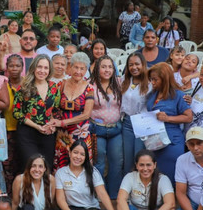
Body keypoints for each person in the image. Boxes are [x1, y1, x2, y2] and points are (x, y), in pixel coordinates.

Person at [55, 140, 116, 210]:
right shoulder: (61, 173)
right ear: (69, 153)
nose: (78, 157)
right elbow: (60, 198)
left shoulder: (92, 172)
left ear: (86, 157)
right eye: (75, 152)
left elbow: (102, 194)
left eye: (82, 154)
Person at [146, 63, 193, 181]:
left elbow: (188, 117)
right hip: (154, 141)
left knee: (171, 175)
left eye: (155, 79)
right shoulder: (153, 94)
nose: (152, 82)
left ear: (165, 78)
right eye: (151, 79)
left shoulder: (178, 95)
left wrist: (168, 118)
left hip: (172, 141)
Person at [12, 55, 60, 173]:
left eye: (45, 68)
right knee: (29, 166)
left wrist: (53, 125)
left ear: (49, 70)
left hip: (47, 133)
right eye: (39, 67)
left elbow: (56, 111)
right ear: (34, 68)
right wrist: (36, 126)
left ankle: (44, 191)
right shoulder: (24, 87)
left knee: (46, 166)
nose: (42, 71)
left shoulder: (54, 87)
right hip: (27, 133)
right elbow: (16, 112)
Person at [52, 52, 95, 169]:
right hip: (62, 133)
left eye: (82, 68)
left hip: (80, 132)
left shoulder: (89, 88)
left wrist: (63, 122)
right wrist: (54, 121)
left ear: (86, 70)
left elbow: (86, 115)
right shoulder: (61, 84)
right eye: (76, 67)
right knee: (61, 162)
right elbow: (54, 107)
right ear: (70, 67)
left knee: (80, 163)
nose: (78, 71)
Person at [90, 56, 123, 199]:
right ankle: (100, 195)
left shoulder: (119, 82)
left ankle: (114, 195)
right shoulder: (91, 85)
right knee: (99, 163)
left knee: (117, 162)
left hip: (116, 128)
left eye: (110, 67)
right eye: (103, 66)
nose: (107, 70)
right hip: (97, 129)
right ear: (97, 68)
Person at [121, 51, 148, 175]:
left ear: (143, 64)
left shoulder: (150, 83)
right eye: (130, 65)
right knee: (128, 158)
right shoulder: (124, 80)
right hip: (127, 122)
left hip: (142, 123)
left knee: (139, 157)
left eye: (137, 64)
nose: (134, 67)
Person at [3, 54, 24, 189]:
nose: (14, 68)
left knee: (22, 163)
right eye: (11, 65)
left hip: (25, 130)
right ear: (7, 67)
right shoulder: (2, 83)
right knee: (8, 165)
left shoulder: (28, 83)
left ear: (22, 67)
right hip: (6, 129)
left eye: (17, 66)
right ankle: (9, 195)